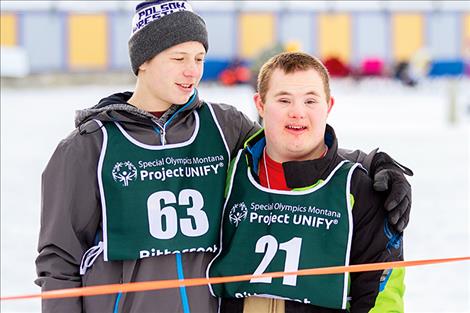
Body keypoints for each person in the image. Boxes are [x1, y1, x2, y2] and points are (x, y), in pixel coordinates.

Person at [35, 1, 411, 312]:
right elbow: (58, 260)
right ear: (143, 60)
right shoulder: (87, 148)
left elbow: (289, 146)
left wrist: (373, 163)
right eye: (178, 57)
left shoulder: (222, 126)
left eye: (199, 58)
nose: (192, 71)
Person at [207, 52, 405, 313]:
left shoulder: (359, 189)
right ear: (260, 104)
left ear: (329, 106)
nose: (297, 112)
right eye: (284, 99)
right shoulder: (227, 177)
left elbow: (381, 298)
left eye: (310, 100)